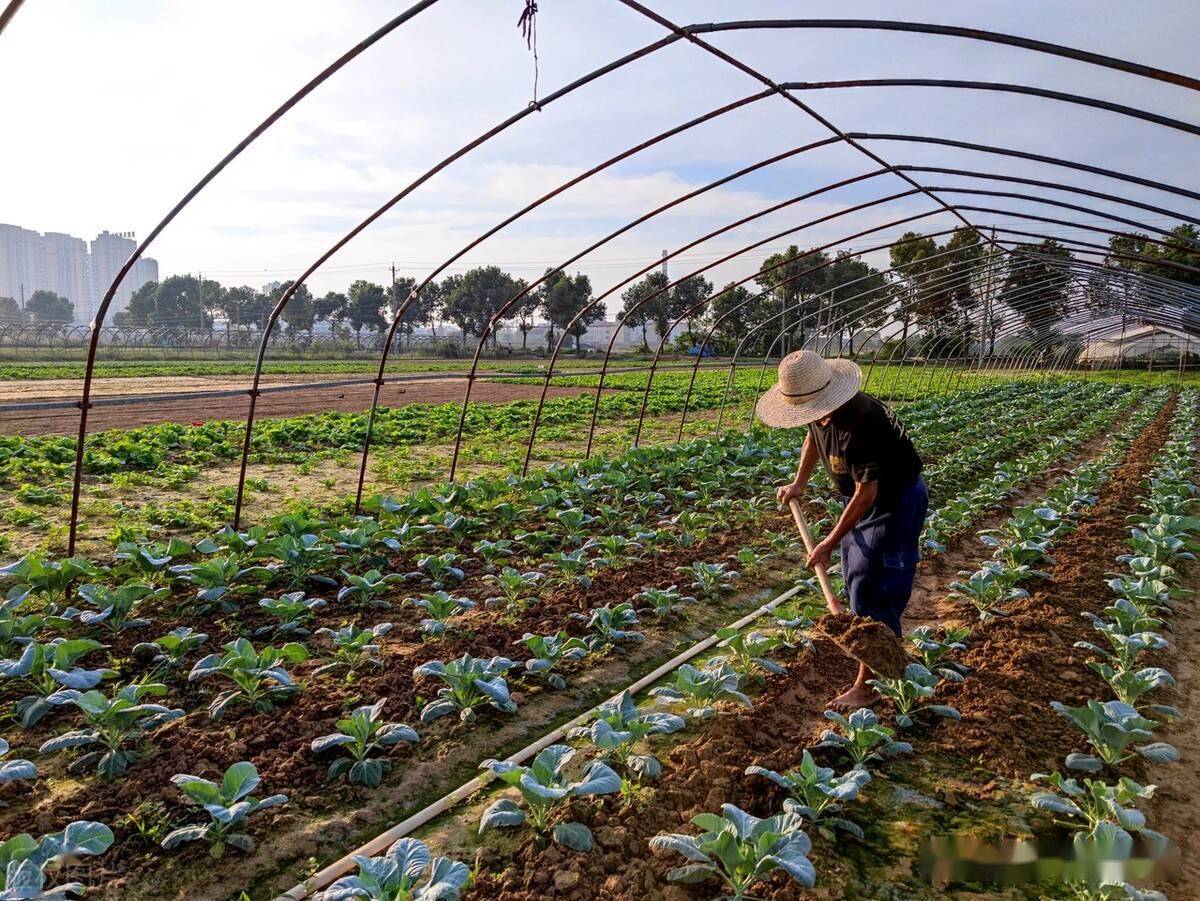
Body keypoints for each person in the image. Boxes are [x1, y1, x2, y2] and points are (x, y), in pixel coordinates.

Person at [756, 350, 927, 710]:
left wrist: (828, 542)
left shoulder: (861, 422)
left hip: (895, 503)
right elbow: (813, 440)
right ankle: (878, 656)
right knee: (857, 580)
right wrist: (799, 483)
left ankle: (868, 683)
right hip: (865, 500)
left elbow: (868, 493)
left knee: (880, 586)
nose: (809, 415)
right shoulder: (819, 409)